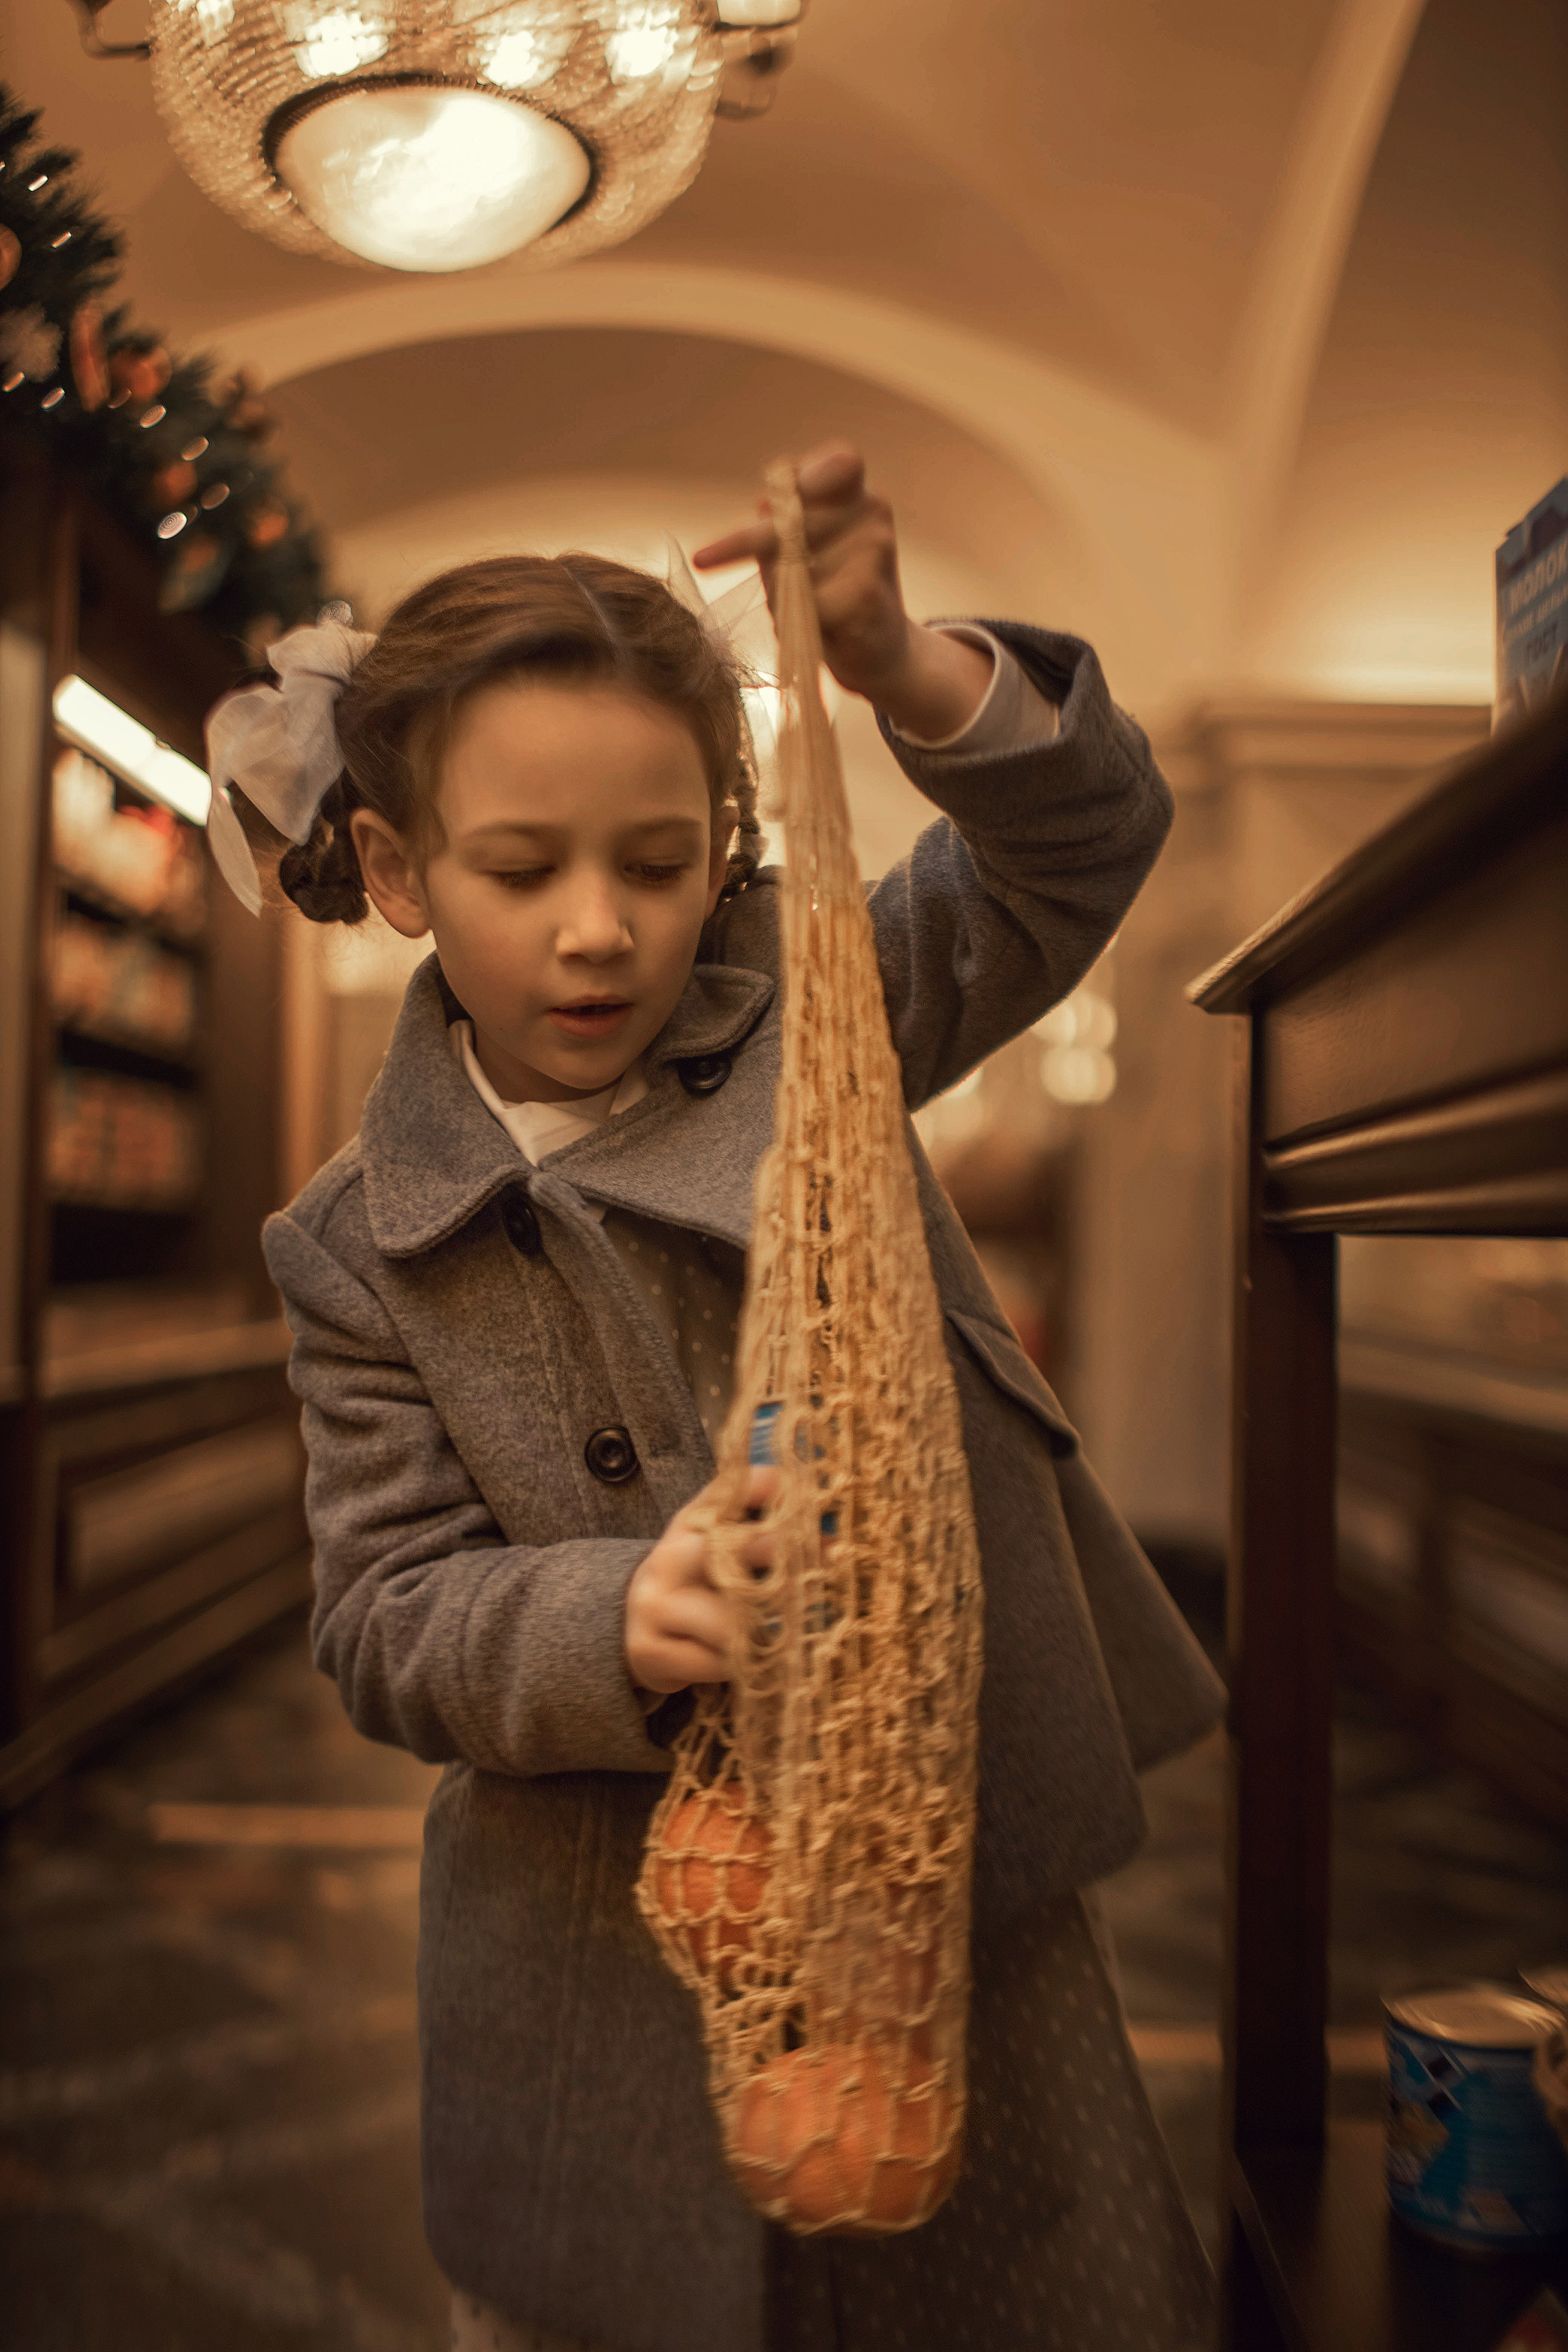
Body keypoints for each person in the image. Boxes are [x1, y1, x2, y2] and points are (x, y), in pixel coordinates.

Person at [216, 445, 1224, 2352]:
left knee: (1019, 2278)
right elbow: (380, 1618)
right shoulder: (350, 1245)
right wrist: (617, 1616)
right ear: (397, 872)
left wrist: (905, 667)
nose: (598, 928)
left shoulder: (817, 998)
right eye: (521, 870)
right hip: (601, 1933)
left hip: (934, 1867)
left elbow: (1078, 848)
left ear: (732, 847)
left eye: (659, 862)